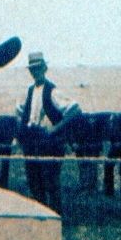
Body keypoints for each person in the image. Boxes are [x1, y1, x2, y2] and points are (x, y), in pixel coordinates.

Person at [15, 52, 80, 212]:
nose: (35, 72)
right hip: (32, 141)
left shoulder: (53, 91)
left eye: (37, 68)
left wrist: (55, 129)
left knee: (51, 181)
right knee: (34, 181)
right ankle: (41, 215)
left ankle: (55, 215)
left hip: (49, 142)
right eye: (32, 69)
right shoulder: (29, 91)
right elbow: (19, 111)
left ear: (44, 68)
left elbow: (74, 109)